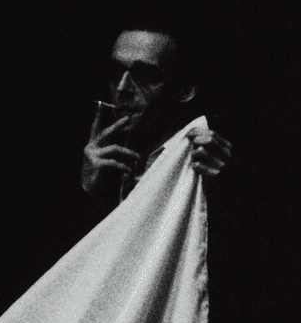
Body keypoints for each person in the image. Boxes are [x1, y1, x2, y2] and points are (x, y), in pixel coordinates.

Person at [80, 27, 232, 218]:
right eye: (116, 71)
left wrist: (222, 193)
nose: (122, 88)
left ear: (184, 90)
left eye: (144, 75)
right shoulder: (97, 162)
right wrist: (89, 192)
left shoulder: (204, 160)